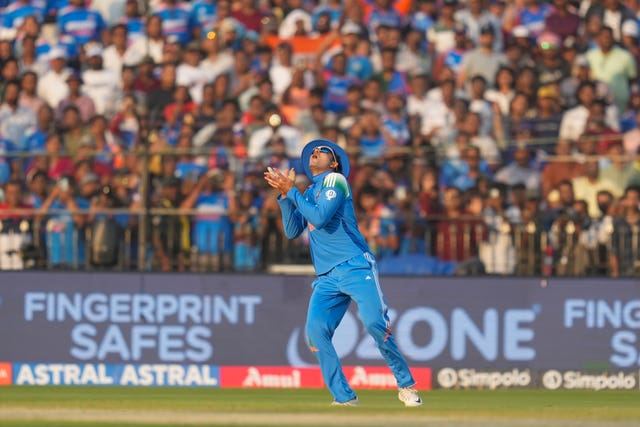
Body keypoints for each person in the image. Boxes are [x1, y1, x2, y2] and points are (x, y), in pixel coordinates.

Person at [263, 138, 422, 407]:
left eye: (322, 150)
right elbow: (292, 231)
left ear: (334, 162)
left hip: (354, 265)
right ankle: (344, 397)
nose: (315, 151)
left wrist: (292, 192)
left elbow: (320, 218)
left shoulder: (335, 181)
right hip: (326, 276)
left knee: (374, 323)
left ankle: (406, 385)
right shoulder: (310, 192)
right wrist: (283, 196)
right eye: (312, 150)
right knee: (315, 333)